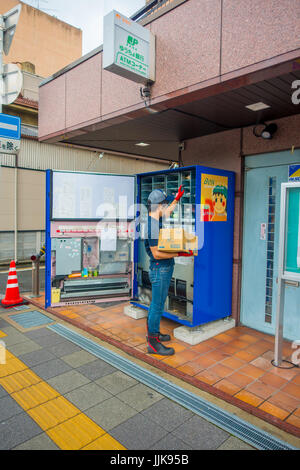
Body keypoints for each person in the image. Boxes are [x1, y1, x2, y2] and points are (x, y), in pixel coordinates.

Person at [145, 185, 194, 356]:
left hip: (163, 269)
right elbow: (157, 254)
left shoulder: (155, 218)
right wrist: (179, 252)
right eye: (164, 205)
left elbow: (167, 212)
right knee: (157, 305)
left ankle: (155, 334)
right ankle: (152, 343)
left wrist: (177, 198)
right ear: (159, 206)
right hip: (160, 269)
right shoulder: (151, 226)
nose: (166, 208)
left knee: (157, 303)